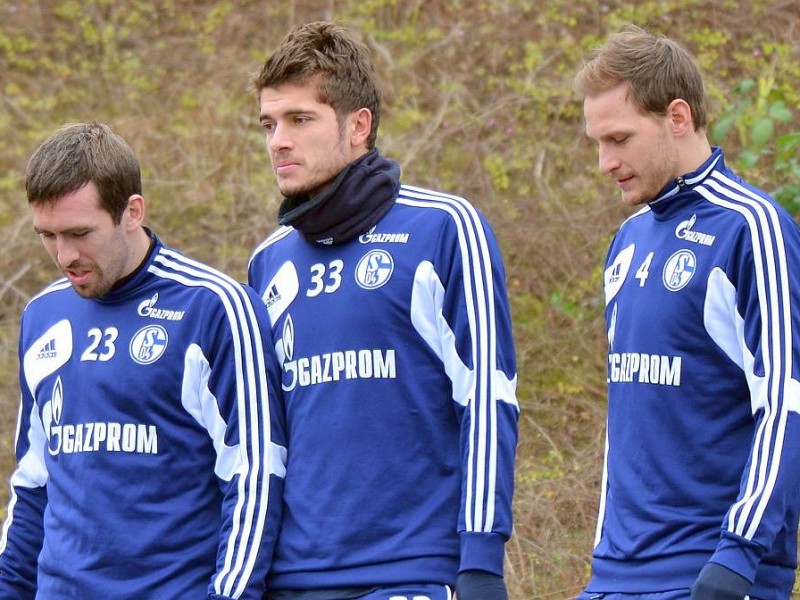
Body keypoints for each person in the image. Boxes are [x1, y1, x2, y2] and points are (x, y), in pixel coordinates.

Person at [246, 21, 519, 600]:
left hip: (411, 572)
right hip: (290, 579)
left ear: (358, 126)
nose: (278, 141)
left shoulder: (444, 228)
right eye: (269, 124)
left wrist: (481, 559)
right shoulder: (267, 263)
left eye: (300, 119)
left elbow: (489, 398)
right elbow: (262, 442)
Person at [0, 121, 287, 599]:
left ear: (132, 212)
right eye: (47, 235)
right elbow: (33, 487)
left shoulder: (213, 308)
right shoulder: (42, 315)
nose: (63, 255)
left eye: (79, 232)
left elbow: (255, 476)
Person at [573, 24, 800, 600]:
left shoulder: (753, 229)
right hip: (615, 575)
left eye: (619, 139)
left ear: (677, 117)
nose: (604, 162)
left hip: (713, 573)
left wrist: (737, 558)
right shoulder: (626, 241)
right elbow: (631, 418)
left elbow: (786, 403)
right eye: (597, 142)